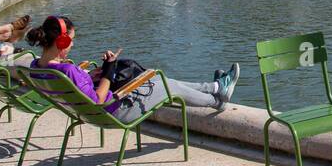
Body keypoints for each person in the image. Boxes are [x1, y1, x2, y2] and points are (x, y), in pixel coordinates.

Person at [26, 15, 242, 116]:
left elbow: (80, 88)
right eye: (71, 39)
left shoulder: (38, 67)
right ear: (62, 41)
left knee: (156, 79)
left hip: (86, 111)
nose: (73, 44)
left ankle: (214, 88)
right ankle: (215, 101)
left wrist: (92, 74)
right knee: (164, 85)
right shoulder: (67, 70)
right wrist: (108, 71)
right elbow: (98, 100)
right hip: (114, 110)